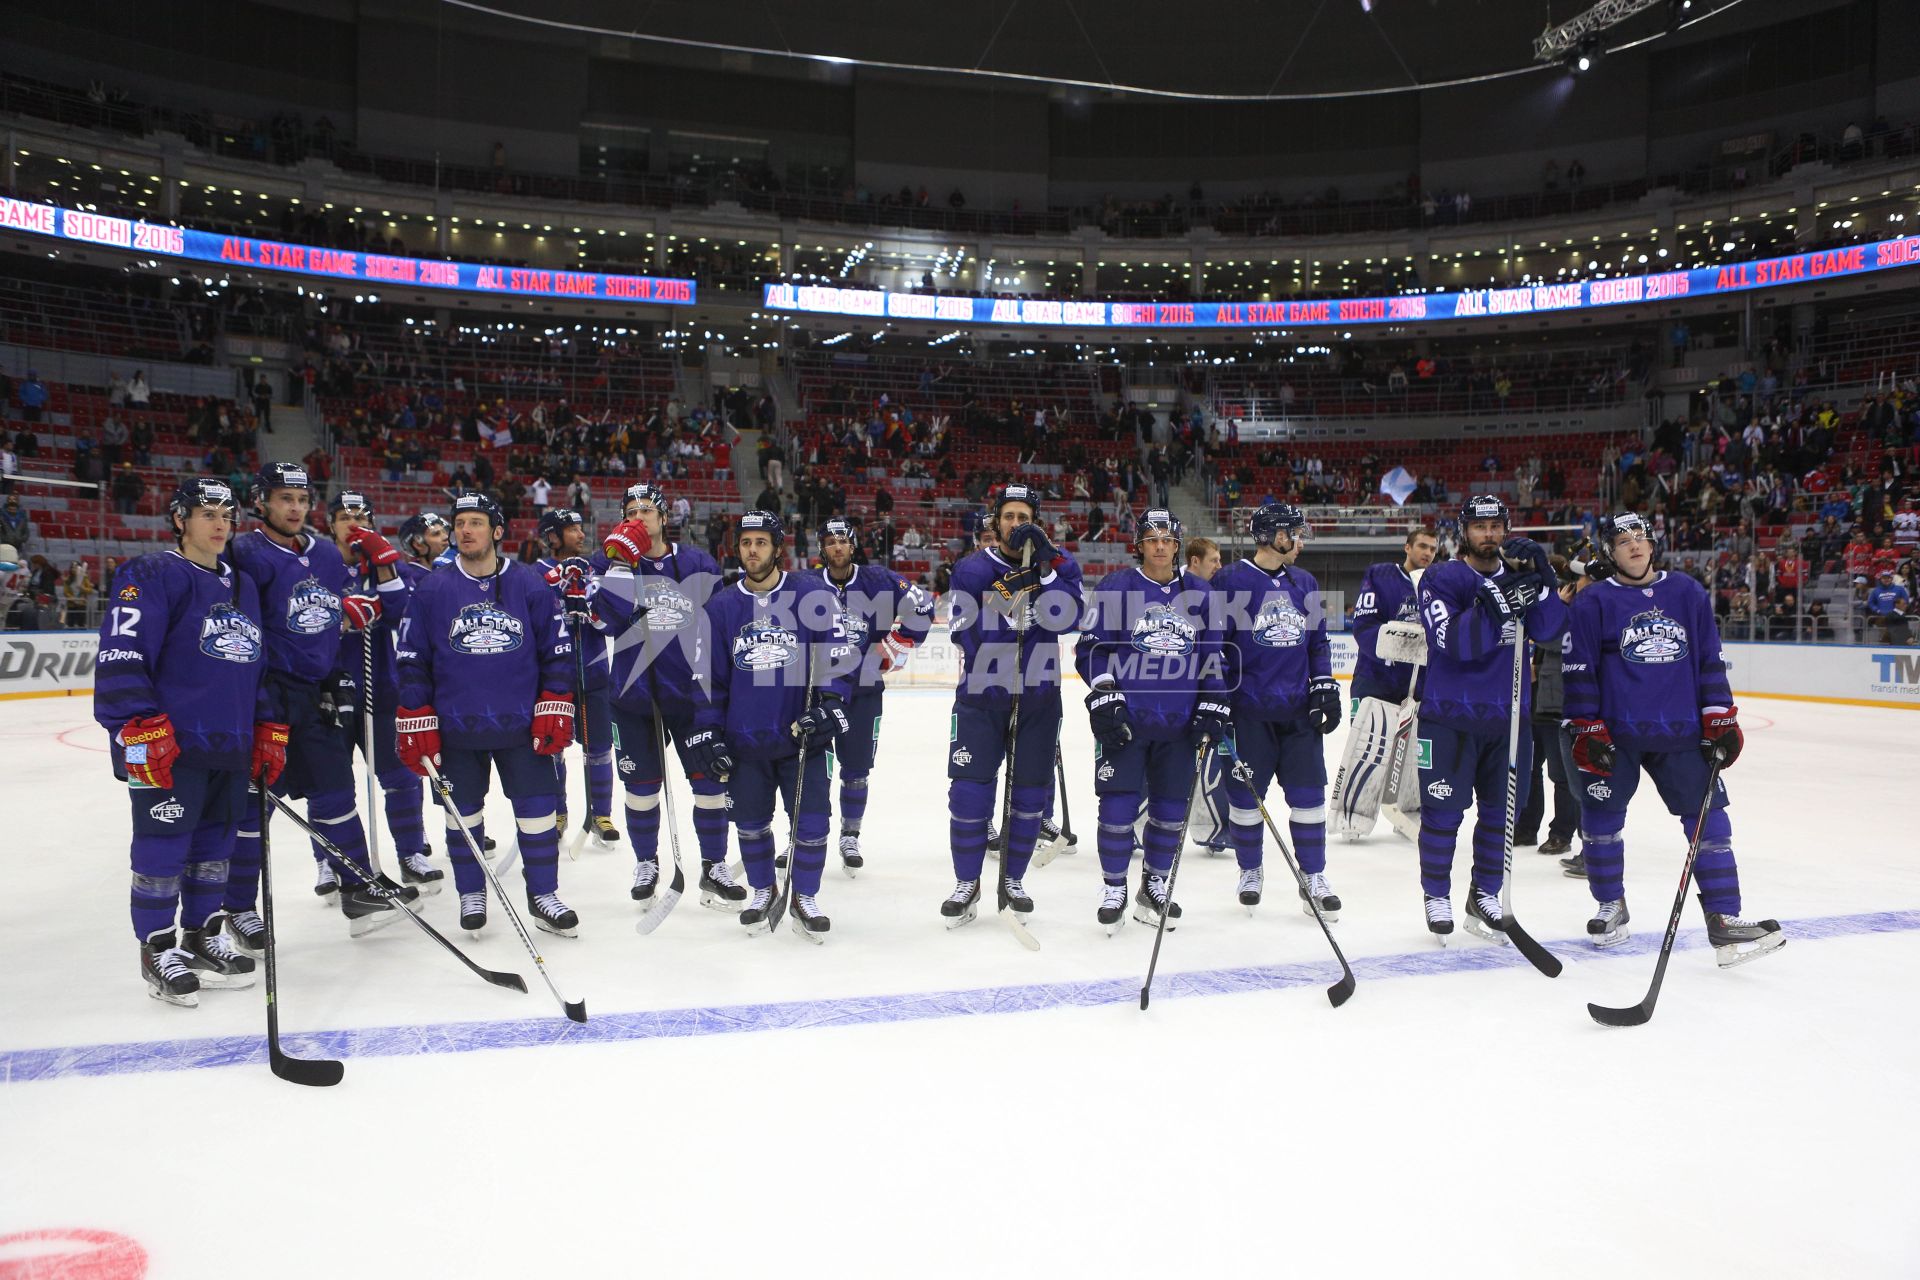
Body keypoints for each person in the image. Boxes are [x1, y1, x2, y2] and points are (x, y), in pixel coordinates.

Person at [1563, 512, 1782, 964]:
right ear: (1609, 552)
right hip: (1617, 734)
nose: (1634, 545)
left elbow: (1708, 658)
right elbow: (1580, 670)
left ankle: (1723, 918)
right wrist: (1586, 725)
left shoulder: (1686, 592)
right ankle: (1611, 905)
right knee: (1600, 824)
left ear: (1652, 543)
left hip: (1680, 732)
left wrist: (1719, 718)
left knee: (1709, 823)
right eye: (1623, 541)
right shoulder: (1594, 602)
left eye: (1640, 537)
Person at [93, 478, 274, 1005]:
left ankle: (201, 935)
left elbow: (252, 664)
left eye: (227, 514)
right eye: (206, 513)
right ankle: (157, 948)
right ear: (180, 519)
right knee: (162, 847)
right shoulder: (150, 573)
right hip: (164, 741)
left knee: (215, 848)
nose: (220, 524)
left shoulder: (242, 585)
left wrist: (266, 726)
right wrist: (135, 722)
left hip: (229, 742)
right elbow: (122, 651)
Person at [225, 462, 402, 943]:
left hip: (317, 693)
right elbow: (242, 633)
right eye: (285, 499)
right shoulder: (244, 553)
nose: (296, 508)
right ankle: (237, 908)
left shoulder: (324, 554)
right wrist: (259, 706)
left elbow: (333, 608)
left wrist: (348, 614)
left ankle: (358, 887)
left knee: (335, 793)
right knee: (253, 807)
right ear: (261, 502)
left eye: (302, 500)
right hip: (267, 696)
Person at [396, 491, 579, 936]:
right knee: (464, 816)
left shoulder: (529, 583)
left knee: (537, 812)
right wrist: (416, 711)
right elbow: (412, 658)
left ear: (497, 532)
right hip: (457, 727)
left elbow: (556, 651)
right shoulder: (433, 588)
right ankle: (471, 892)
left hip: (520, 725)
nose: (464, 530)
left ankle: (543, 894)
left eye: (476, 522)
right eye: (459, 523)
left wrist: (554, 703)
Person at [688, 510, 854, 936]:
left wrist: (832, 703)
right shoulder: (722, 606)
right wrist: (708, 730)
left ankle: (805, 895)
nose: (753, 550)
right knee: (750, 821)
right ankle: (764, 889)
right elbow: (710, 679)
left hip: (802, 736)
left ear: (778, 548)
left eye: (761, 542)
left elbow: (835, 655)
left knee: (813, 821)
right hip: (745, 739)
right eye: (746, 543)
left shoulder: (810, 593)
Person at [1413, 495, 1565, 943]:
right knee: (1442, 813)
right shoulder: (1441, 577)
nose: (1490, 535)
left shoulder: (1521, 576)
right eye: (1480, 527)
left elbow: (1553, 630)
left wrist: (1545, 582)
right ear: (1464, 531)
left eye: (1496, 526)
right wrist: (1499, 603)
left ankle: (1486, 894)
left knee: (1501, 815)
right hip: (1448, 718)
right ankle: (1436, 894)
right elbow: (1451, 641)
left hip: (1509, 721)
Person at [589, 482, 744, 909]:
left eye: (646, 510)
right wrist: (620, 562)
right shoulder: (606, 561)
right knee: (641, 789)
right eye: (630, 511)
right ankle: (646, 862)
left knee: (711, 784)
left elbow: (718, 626)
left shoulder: (697, 562)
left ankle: (713, 866)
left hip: (692, 697)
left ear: (663, 517)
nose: (638, 518)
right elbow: (608, 621)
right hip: (633, 696)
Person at [1074, 509, 1226, 932]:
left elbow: (1212, 656)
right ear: (1139, 544)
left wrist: (1214, 703)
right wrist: (1105, 693)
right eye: (1151, 538)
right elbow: (1091, 649)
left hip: (1179, 723)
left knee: (1171, 810)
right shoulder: (1116, 587)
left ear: (1178, 545)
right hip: (1127, 720)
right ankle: (1114, 886)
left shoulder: (1201, 592)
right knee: (1118, 806)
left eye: (1167, 538)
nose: (1160, 545)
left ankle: (1155, 885)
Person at [939, 484, 1084, 926]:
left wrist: (1043, 575)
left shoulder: (1060, 566)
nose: (1016, 524)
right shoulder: (970, 569)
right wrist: (1007, 596)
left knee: (1027, 799)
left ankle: (1013, 878)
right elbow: (964, 632)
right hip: (983, 697)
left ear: (1036, 522)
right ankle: (967, 883)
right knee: (968, 793)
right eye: (1008, 516)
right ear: (995, 521)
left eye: (1024, 517)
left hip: (1038, 698)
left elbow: (1073, 616)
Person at [1214, 503, 1341, 916]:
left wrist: (1324, 686)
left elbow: (1318, 641)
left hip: (1297, 713)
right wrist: (1214, 697)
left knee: (1308, 798)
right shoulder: (1230, 581)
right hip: (1248, 712)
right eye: (1294, 533)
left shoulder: (1304, 581)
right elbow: (1214, 646)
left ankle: (1313, 876)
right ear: (1273, 536)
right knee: (1246, 800)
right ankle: (1250, 869)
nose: (1299, 541)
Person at [327, 491, 441, 892]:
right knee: (331, 783)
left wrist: (386, 566)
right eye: (344, 516)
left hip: (382, 687)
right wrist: (339, 615)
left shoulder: (386, 563)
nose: (354, 522)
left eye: (361, 515)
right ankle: (328, 859)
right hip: (329, 692)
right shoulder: (319, 563)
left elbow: (403, 616)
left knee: (402, 777)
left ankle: (412, 853)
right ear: (330, 524)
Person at [815, 516, 935, 873]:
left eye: (843, 541)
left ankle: (850, 835)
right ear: (822, 548)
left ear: (852, 546)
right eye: (830, 541)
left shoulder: (878, 579)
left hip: (864, 690)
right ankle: (809, 832)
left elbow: (924, 606)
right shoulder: (805, 584)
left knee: (856, 770)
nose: (837, 547)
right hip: (816, 692)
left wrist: (897, 642)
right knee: (811, 769)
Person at [1331, 525, 1438, 839]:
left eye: (1433, 548)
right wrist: (1407, 643)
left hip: (1419, 688)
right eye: (1422, 546)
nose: (1427, 553)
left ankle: (1411, 810)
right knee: (1370, 750)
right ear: (1407, 547)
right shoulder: (1381, 575)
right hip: (1377, 682)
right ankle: (1353, 814)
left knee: (1417, 756)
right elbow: (1365, 628)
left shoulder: (1439, 584)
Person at [534, 507, 616, 847]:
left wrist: (589, 604)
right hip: (554, 676)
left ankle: (601, 814)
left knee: (599, 747)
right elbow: (535, 618)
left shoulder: (592, 570)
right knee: (554, 746)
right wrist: (559, 596)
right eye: (573, 530)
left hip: (594, 671)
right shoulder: (535, 572)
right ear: (553, 536)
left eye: (582, 528)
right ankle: (558, 811)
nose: (582, 535)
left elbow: (609, 623)